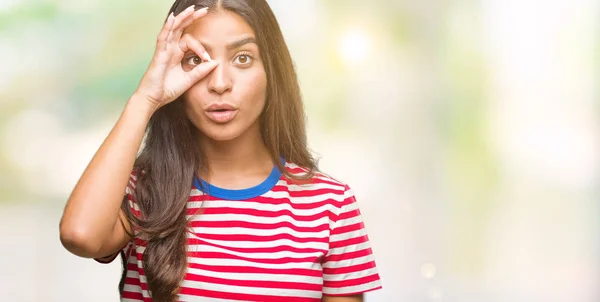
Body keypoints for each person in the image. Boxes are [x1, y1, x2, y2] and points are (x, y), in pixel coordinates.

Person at [59, 0, 382, 301]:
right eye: (196, 60)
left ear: (272, 70)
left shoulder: (330, 205)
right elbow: (80, 235)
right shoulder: (143, 192)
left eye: (242, 58)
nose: (219, 83)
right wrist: (146, 99)